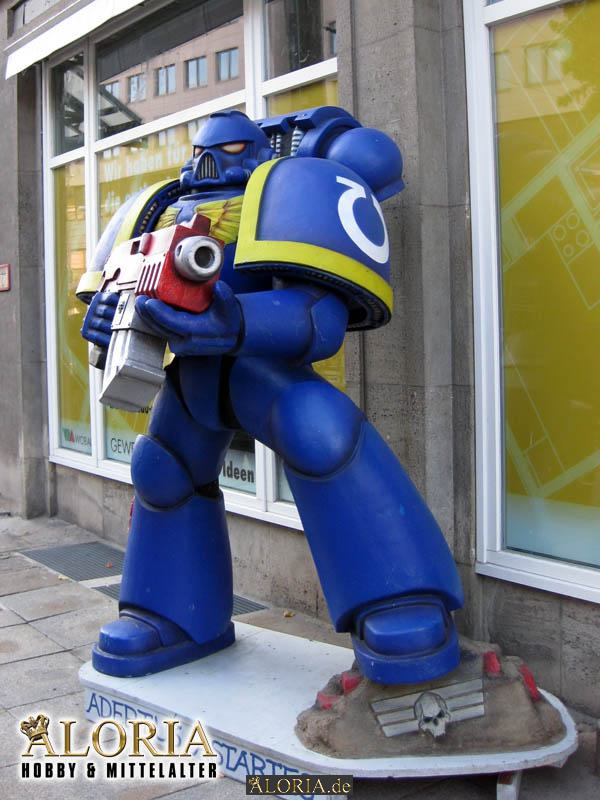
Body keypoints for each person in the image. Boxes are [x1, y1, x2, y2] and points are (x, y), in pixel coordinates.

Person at [79, 108, 463, 684]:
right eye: (200, 152)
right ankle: (173, 615)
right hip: (191, 376)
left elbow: (319, 318)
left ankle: (399, 595)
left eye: (230, 149)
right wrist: (108, 318)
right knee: (161, 469)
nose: (209, 164)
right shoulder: (155, 208)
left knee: (324, 435)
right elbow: (114, 294)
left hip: (261, 368)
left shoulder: (290, 188)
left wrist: (234, 318)